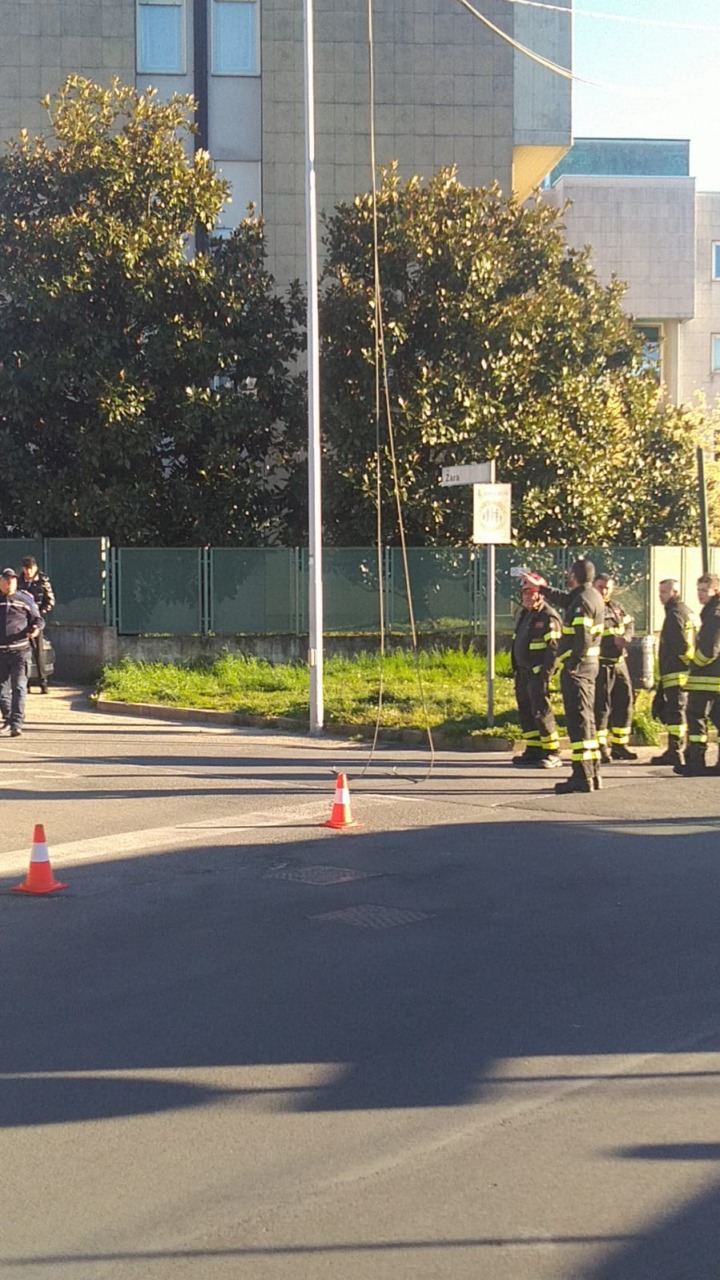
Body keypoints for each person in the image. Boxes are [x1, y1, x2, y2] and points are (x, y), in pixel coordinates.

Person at [528, 558, 605, 794]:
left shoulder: (582, 602)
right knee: (587, 719)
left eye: (569, 573)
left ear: (574, 575)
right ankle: (592, 773)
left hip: (579, 671)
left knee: (578, 721)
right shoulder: (590, 595)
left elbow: (581, 638)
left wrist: (570, 663)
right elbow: (564, 598)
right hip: (590, 668)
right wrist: (540, 587)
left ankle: (581, 776)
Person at [510, 579, 562, 769]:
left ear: (540, 594)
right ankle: (533, 749)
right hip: (523, 674)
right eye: (523, 592)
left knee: (541, 712)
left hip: (537, 674)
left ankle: (552, 752)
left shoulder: (548, 616)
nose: (525, 596)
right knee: (526, 712)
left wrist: (545, 675)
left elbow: (554, 649)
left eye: (529, 592)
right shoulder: (526, 614)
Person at [674, 573, 720, 777]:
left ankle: (696, 762)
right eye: (698, 590)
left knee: (696, 718)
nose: (700, 595)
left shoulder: (714, 613)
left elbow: (710, 650)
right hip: (713, 678)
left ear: (716, 591)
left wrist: (694, 666)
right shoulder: (712, 611)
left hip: (706, 678)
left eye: (704, 590)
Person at [650, 578, 696, 767]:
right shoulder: (685, 610)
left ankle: (675, 750)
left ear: (674, 592)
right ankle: (678, 748)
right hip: (679, 671)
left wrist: (685, 664)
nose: (661, 596)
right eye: (660, 592)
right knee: (680, 712)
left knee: (676, 713)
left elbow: (681, 644)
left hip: (676, 672)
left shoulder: (675, 613)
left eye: (664, 592)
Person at [594, 574, 636, 763]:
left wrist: (626, 637)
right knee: (601, 706)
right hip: (600, 662)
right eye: (601, 587)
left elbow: (629, 624)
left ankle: (620, 745)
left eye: (607, 588)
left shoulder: (617, 607)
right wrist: (612, 641)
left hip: (619, 662)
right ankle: (600, 746)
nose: (604, 591)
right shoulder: (591, 608)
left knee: (624, 702)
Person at [0, 567, 44, 737]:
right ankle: (9, 717)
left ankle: (16, 724)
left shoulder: (24, 599)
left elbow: (38, 619)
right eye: (6, 579)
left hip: (20, 651)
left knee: (19, 687)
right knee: (2, 691)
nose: (9, 582)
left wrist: (35, 629)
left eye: (12, 580)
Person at [17, 555, 55, 693]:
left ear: (35, 568)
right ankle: (24, 683)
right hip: (20, 621)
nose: (28, 572)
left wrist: (40, 613)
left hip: (36, 620)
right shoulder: (17, 581)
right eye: (26, 569)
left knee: (39, 652)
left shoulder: (42, 581)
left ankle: (43, 682)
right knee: (22, 652)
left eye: (30, 568)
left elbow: (50, 601)